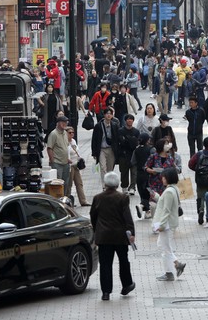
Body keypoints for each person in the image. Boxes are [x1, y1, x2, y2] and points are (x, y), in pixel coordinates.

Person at [90, 172, 136, 301]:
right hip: (120, 236)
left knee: (105, 264)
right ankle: (126, 285)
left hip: (104, 236)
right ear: (117, 184)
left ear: (105, 184)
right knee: (123, 261)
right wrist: (131, 233)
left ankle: (106, 292)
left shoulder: (97, 198)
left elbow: (93, 216)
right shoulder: (122, 198)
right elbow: (127, 217)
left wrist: (96, 231)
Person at [152, 167, 187, 281]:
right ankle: (177, 264)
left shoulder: (169, 192)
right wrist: (157, 196)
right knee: (163, 246)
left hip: (166, 225)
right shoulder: (174, 189)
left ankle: (169, 273)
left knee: (164, 249)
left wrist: (161, 225)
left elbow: (166, 210)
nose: (162, 179)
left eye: (164, 177)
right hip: (170, 223)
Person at [91, 109, 120, 179]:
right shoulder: (98, 126)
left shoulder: (114, 125)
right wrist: (94, 153)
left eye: (110, 113)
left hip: (111, 149)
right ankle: (105, 186)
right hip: (102, 149)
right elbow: (94, 139)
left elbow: (117, 139)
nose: (109, 115)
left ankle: (109, 184)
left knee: (110, 169)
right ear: (104, 115)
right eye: (107, 113)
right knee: (103, 167)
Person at [66, 127, 90, 206]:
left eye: (73, 132)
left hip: (76, 165)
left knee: (79, 183)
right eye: (69, 133)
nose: (72, 134)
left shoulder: (73, 141)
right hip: (70, 166)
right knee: (69, 185)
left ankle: (83, 201)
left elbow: (76, 151)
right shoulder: (65, 143)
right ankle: (67, 201)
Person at [117, 114, 140, 194]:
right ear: (125, 120)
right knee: (124, 172)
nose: (129, 121)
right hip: (123, 154)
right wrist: (131, 140)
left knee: (134, 172)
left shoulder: (136, 131)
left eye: (131, 119)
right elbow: (121, 142)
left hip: (134, 154)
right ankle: (124, 186)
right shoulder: (120, 131)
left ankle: (133, 187)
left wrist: (127, 139)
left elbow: (136, 143)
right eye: (128, 119)